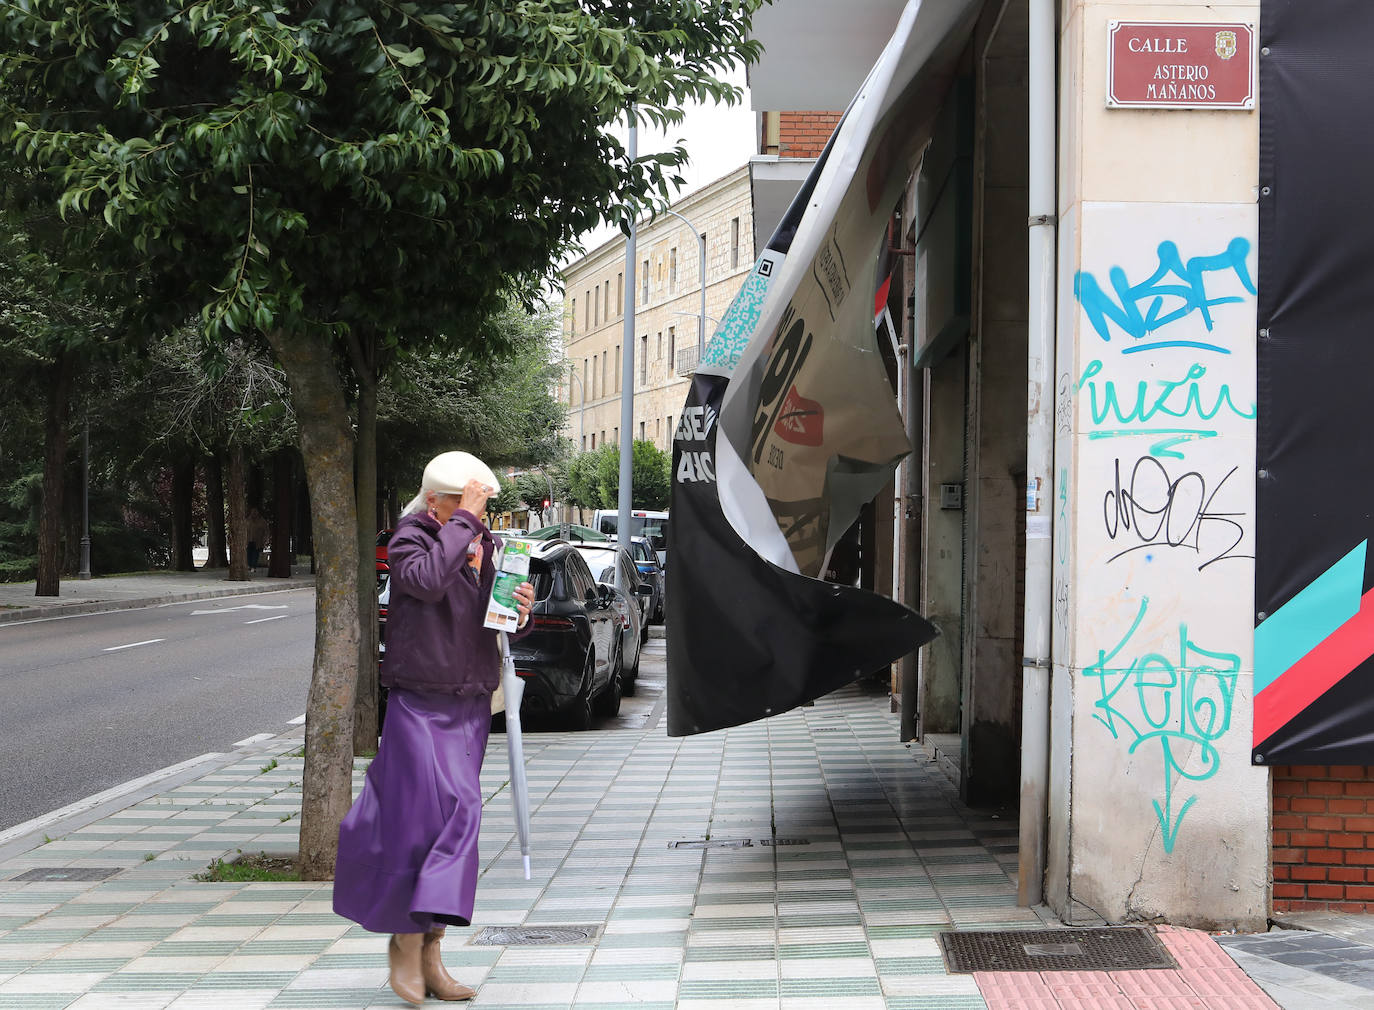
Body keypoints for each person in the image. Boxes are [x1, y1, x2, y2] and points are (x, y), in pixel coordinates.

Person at [333, 452, 535, 1006]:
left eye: (485, 506)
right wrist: (465, 526)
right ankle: (405, 938)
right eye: (471, 503)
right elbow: (423, 583)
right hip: (418, 701)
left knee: (460, 816)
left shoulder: (482, 544)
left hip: (469, 699)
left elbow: (495, 618)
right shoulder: (409, 540)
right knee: (419, 819)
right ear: (438, 500)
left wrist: (521, 609)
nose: (482, 515)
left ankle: (432, 948)